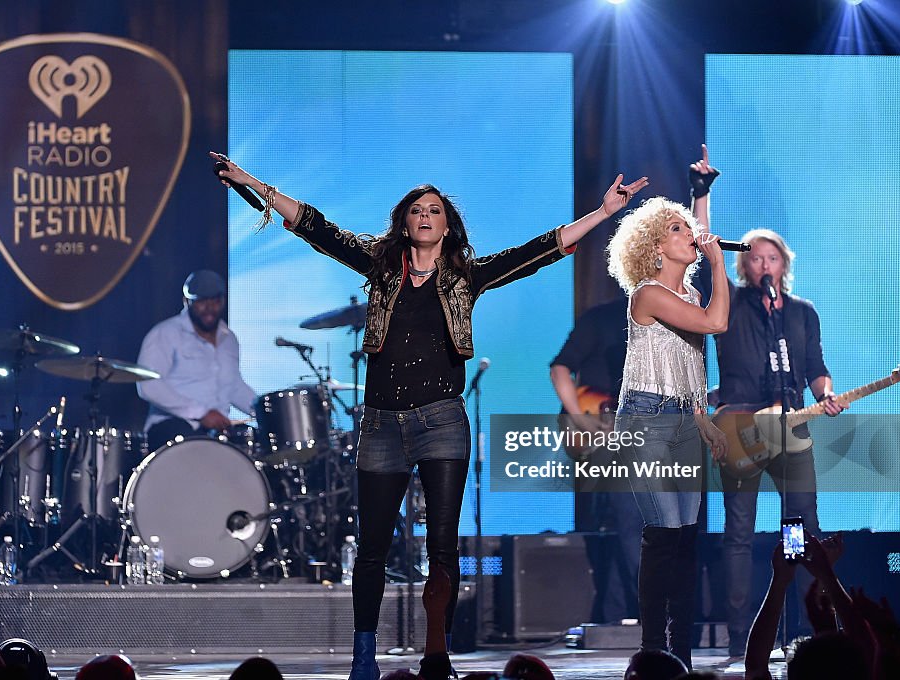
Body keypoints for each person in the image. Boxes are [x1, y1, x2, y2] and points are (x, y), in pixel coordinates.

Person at [212, 151, 648, 680]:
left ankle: (436, 653)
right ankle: (364, 653)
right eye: (417, 209)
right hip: (381, 423)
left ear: (448, 225)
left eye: (435, 210)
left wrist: (603, 212)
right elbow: (315, 226)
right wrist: (249, 182)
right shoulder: (378, 263)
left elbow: (541, 250)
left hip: (442, 421)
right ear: (404, 221)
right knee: (372, 547)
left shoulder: (467, 276)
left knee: (441, 544)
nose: (425, 215)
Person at [687, 146, 847, 657]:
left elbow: (816, 369)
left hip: (791, 428)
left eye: (771, 256)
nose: (763, 262)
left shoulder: (801, 312)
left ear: (784, 263)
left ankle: (813, 635)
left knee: (801, 530)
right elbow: (701, 247)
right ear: (743, 265)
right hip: (739, 428)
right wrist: (701, 194)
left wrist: (825, 396)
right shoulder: (729, 302)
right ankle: (741, 640)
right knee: (738, 533)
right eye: (753, 256)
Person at [607, 147, 730, 670]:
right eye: (677, 230)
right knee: (663, 537)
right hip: (647, 418)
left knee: (685, 541)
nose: (691, 237)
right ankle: (653, 653)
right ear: (656, 247)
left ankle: (678, 655)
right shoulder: (650, 293)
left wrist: (701, 194)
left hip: (682, 419)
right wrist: (722, 263)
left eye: (687, 230)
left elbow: (692, 366)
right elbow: (715, 325)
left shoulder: (686, 290)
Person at [549, 297, 641, 622]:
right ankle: (650, 613)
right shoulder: (601, 317)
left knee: (630, 523)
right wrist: (579, 416)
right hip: (601, 427)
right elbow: (560, 367)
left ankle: (616, 611)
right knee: (629, 518)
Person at [136, 269, 257, 453]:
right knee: (192, 445)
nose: (209, 308)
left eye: (215, 301)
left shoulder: (229, 338)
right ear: (187, 302)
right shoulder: (166, 333)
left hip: (215, 432)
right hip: (172, 427)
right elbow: (148, 385)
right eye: (201, 301)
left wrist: (264, 411)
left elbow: (233, 386)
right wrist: (200, 413)